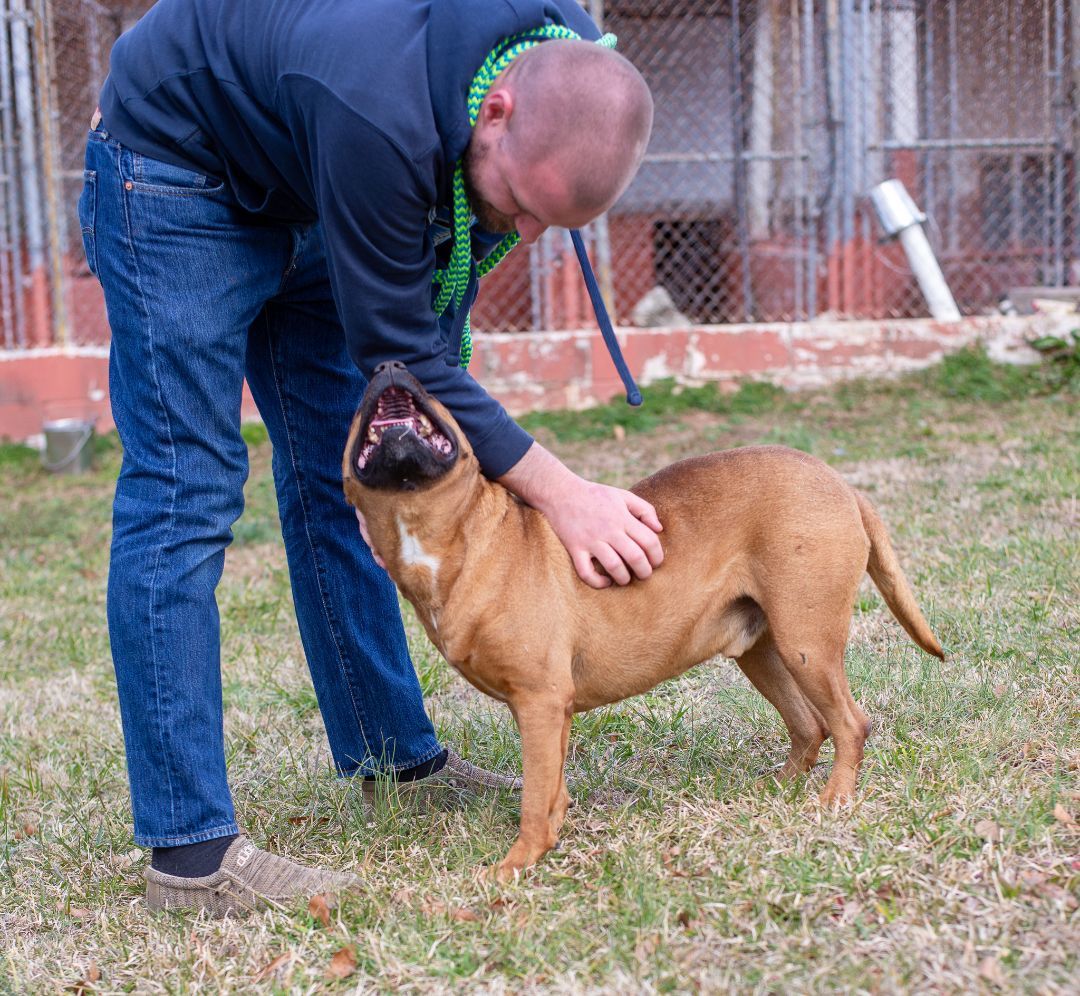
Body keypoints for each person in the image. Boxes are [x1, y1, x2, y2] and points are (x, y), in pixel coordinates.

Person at [80, 0, 661, 915]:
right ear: (497, 110)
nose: (522, 232)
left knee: (344, 484)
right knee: (183, 492)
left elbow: (429, 314)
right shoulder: (377, 107)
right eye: (518, 204)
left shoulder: (564, 57)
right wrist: (562, 493)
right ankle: (191, 857)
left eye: (551, 221)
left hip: (313, 172)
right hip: (177, 175)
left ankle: (393, 760)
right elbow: (407, 351)